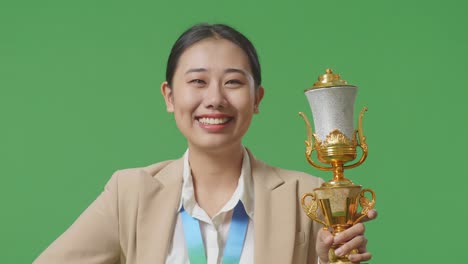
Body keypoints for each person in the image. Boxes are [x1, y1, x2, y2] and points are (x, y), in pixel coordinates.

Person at [34, 23, 377, 264]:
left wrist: (328, 260)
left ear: (257, 99)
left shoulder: (309, 195)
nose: (214, 99)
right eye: (197, 81)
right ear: (169, 96)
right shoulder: (130, 192)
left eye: (232, 82)